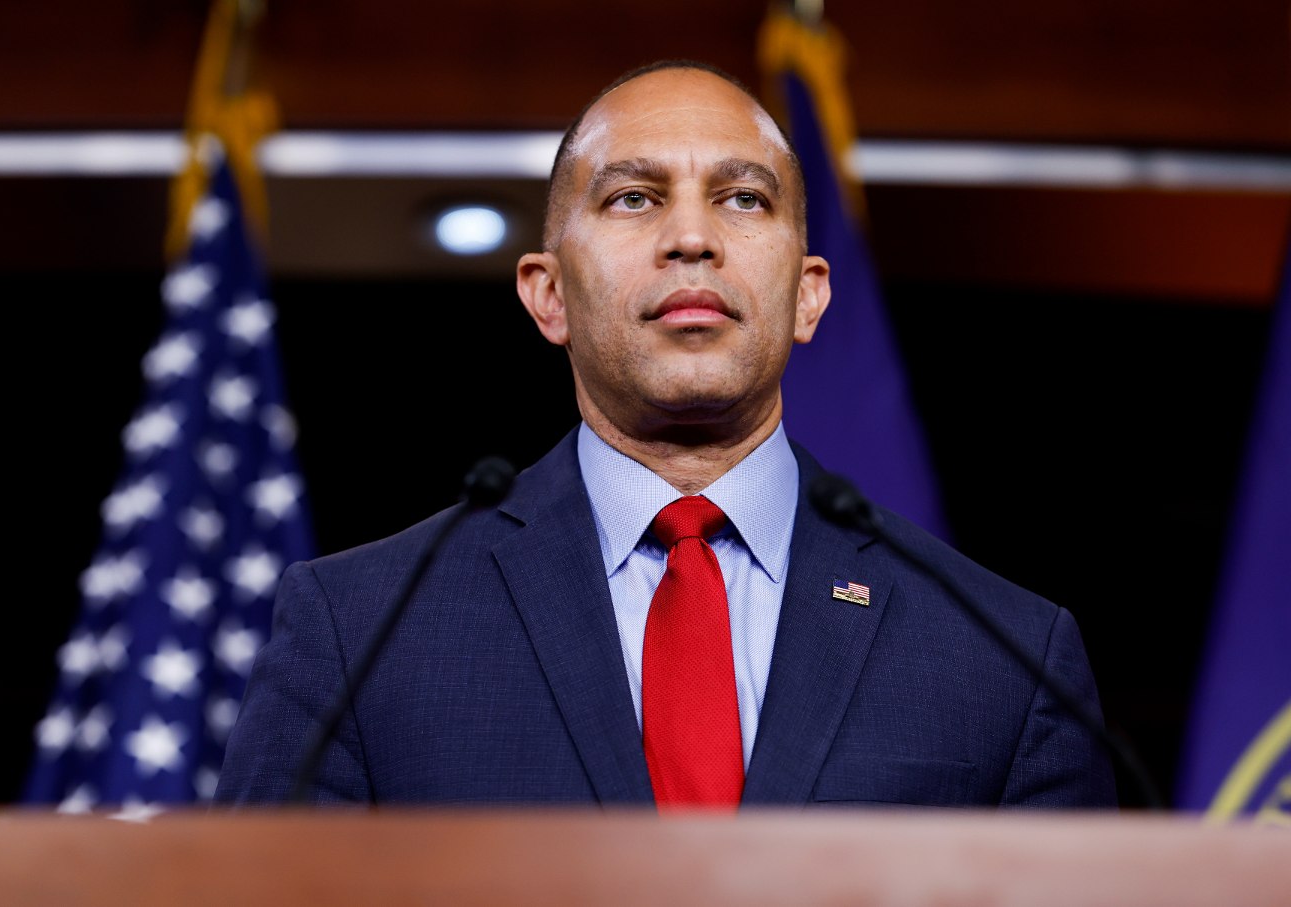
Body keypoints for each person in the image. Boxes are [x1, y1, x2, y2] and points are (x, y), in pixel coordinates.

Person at [216, 60, 1117, 808]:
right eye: (636, 199)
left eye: (744, 200)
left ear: (809, 293)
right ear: (548, 292)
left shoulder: (1001, 655)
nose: (692, 236)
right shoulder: (360, 629)